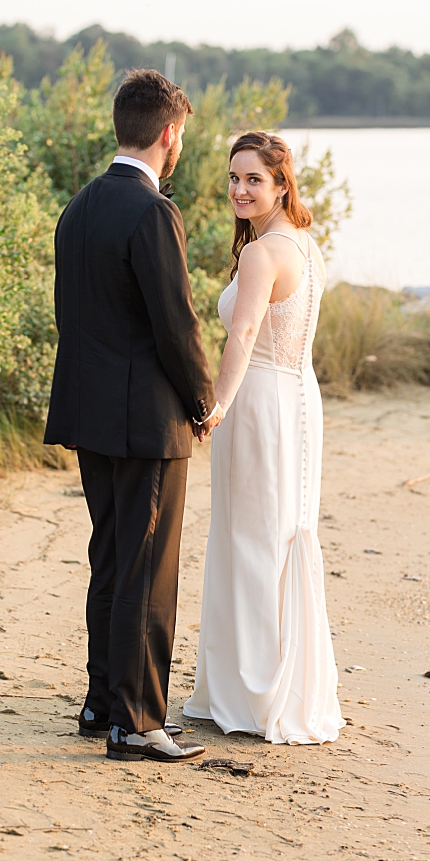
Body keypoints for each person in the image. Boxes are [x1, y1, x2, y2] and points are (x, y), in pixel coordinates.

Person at [44, 68, 219, 763]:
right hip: (147, 420)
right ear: (170, 134)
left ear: (122, 125)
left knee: (113, 560)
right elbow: (176, 325)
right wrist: (203, 400)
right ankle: (138, 721)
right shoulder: (152, 212)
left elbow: (73, 319)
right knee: (148, 571)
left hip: (92, 416)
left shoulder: (79, 206)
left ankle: (100, 702)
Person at [183, 132, 343, 744]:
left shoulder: (260, 255)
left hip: (258, 404)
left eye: (253, 179)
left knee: (251, 539)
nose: (240, 190)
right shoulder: (305, 245)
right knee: (282, 533)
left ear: (281, 184)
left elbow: (243, 334)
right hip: (299, 400)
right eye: (233, 178)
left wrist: (216, 403)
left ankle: (253, 692)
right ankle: (281, 682)